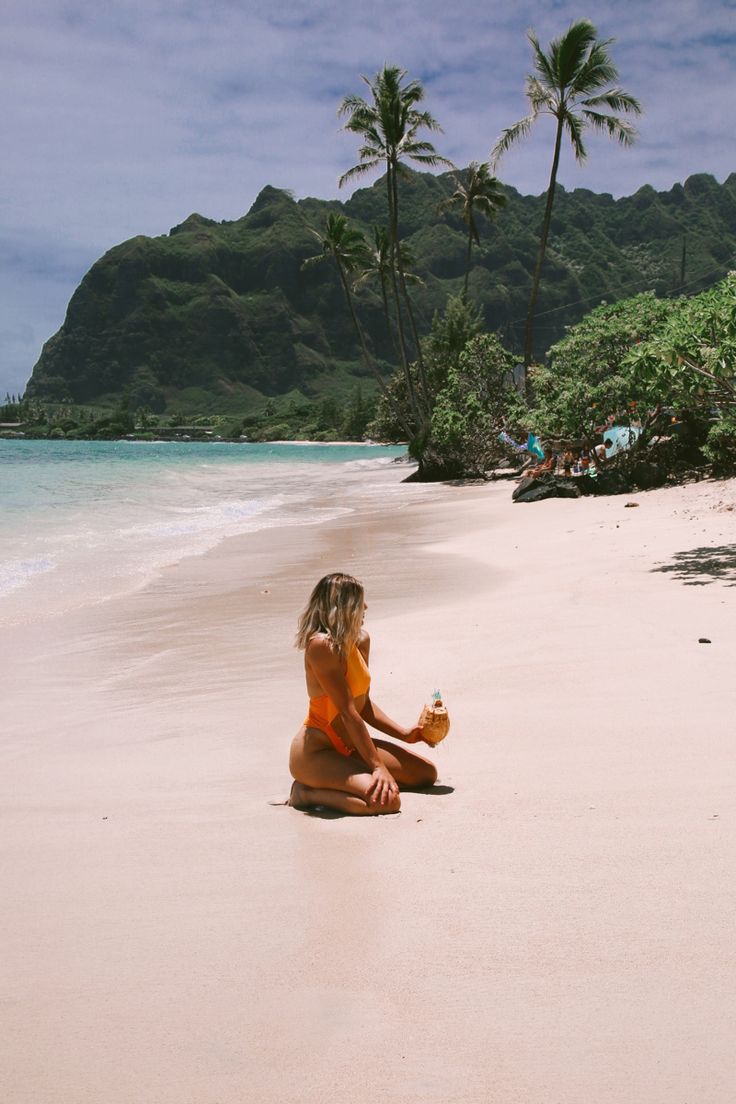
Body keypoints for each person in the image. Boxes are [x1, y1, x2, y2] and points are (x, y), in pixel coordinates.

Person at [289, 573, 438, 815]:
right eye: (360, 602)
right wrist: (377, 766)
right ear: (342, 607)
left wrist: (405, 734)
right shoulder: (320, 647)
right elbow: (348, 713)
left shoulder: (360, 640)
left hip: (353, 745)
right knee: (387, 803)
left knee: (426, 774)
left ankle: (347, 778)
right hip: (317, 752)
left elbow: (363, 704)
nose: (366, 607)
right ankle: (304, 793)